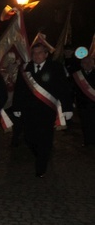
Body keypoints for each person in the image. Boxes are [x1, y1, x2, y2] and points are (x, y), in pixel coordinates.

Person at [12, 42, 72, 177]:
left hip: (47, 110)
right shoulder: (26, 68)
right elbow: (19, 89)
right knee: (29, 138)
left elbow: (64, 88)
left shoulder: (56, 67)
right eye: (34, 53)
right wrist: (17, 106)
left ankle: (41, 167)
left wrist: (67, 108)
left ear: (46, 54)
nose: (36, 56)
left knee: (45, 139)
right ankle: (41, 154)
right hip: (29, 111)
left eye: (40, 53)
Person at [72, 55, 95, 146]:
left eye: (90, 62)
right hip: (83, 104)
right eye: (85, 62)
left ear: (93, 63)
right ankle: (87, 141)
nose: (88, 64)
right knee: (85, 124)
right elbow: (73, 89)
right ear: (81, 64)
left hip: (94, 103)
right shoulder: (77, 75)